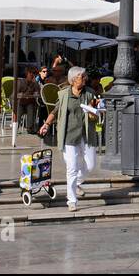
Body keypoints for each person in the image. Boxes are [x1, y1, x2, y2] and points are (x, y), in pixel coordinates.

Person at [39, 67, 102, 211]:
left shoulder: (90, 93)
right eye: (82, 77)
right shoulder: (63, 94)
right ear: (73, 80)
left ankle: (77, 182)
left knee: (91, 165)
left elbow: (95, 114)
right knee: (72, 168)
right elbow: (55, 111)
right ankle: (71, 201)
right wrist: (46, 125)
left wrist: (94, 113)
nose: (85, 79)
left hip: (86, 134)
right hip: (69, 135)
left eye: (85, 76)